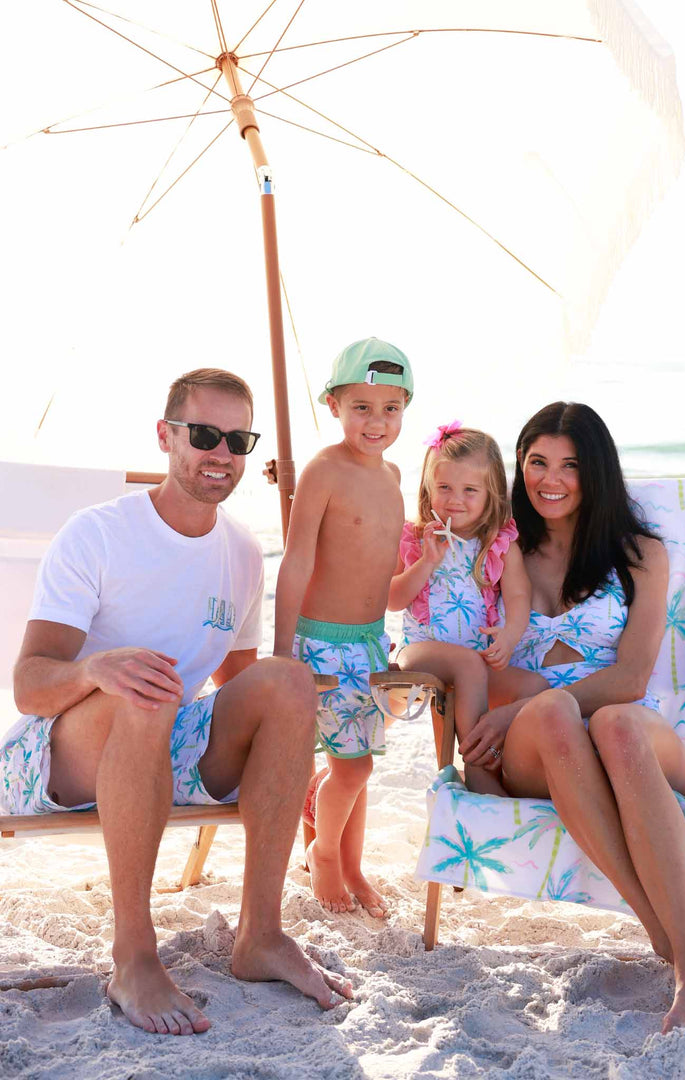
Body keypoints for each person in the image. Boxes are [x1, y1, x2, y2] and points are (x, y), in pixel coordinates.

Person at [0, 368, 352, 1036]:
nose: (222, 453)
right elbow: (30, 684)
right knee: (150, 687)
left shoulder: (243, 552)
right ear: (166, 436)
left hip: (169, 747)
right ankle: (133, 954)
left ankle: (262, 936)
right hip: (57, 755)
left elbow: (242, 692)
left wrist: (303, 766)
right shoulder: (98, 533)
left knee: (287, 680)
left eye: (238, 440)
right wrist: (99, 668)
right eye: (205, 434)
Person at [458, 401, 685, 1034]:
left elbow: (631, 679)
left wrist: (528, 700)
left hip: (633, 737)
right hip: (535, 751)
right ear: (518, 468)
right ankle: (674, 943)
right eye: (537, 462)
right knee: (556, 717)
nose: (552, 478)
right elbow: (439, 633)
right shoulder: (492, 553)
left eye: (570, 464)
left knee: (614, 720)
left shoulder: (640, 556)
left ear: (595, 471)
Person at [274, 337, 412, 919]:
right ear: (333, 404)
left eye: (390, 408)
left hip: (369, 643)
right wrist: (284, 652)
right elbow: (297, 560)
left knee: (353, 765)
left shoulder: (395, 476)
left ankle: (351, 864)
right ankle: (324, 854)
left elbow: (391, 589)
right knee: (354, 765)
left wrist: (427, 562)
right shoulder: (324, 470)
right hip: (319, 644)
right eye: (362, 406)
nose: (376, 421)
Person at [387, 422, 545, 795]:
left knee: (537, 687)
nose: (454, 499)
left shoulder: (499, 542)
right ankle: (476, 766)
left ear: (491, 494)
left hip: (476, 660)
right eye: (444, 488)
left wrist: (509, 635)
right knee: (468, 664)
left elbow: (519, 597)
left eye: (469, 490)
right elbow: (392, 600)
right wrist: (426, 562)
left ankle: (509, 763)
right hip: (422, 650)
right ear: (428, 487)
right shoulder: (415, 537)